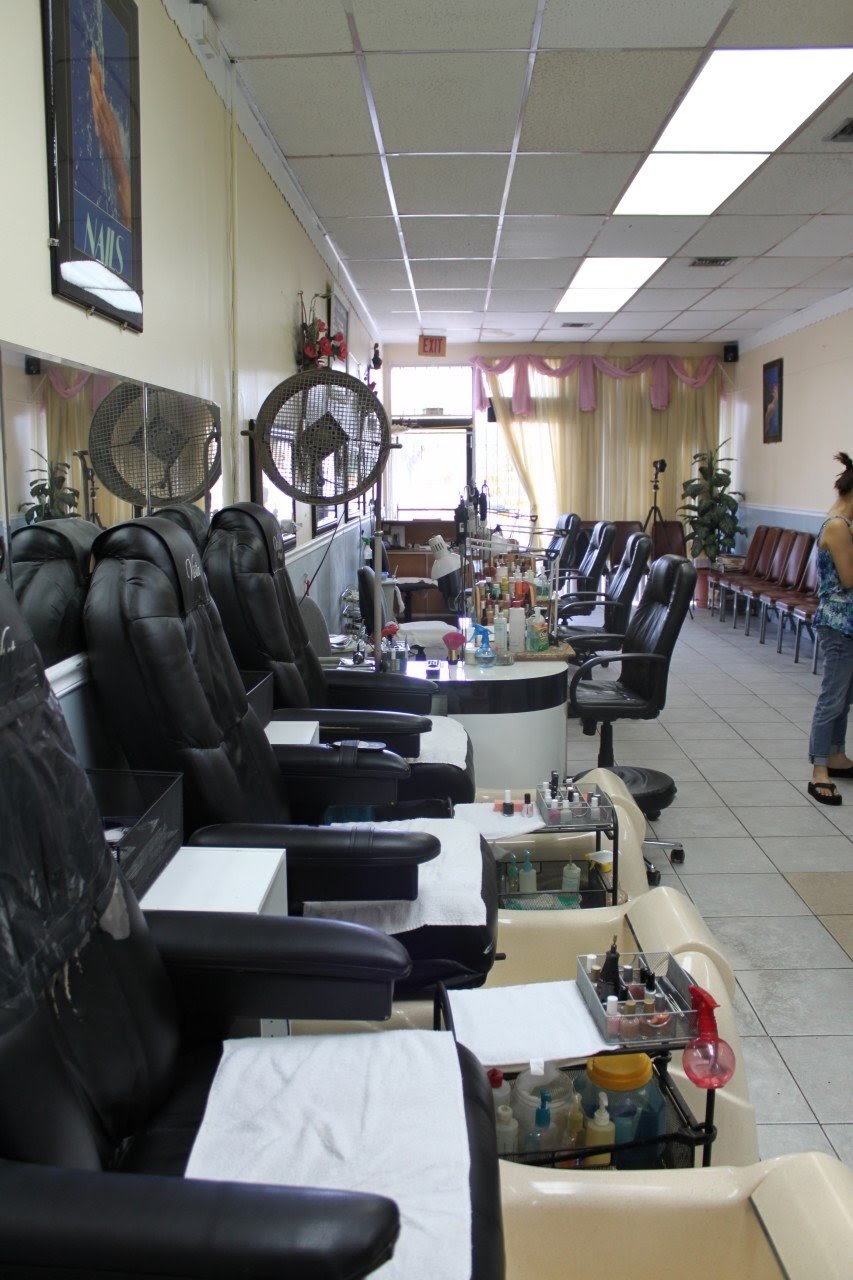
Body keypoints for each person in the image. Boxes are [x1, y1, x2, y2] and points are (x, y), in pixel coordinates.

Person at [808, 452, 853, 805]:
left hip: (846, 622)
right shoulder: (838, 526)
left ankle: (837, 755)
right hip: (838, 623)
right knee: (832, 697)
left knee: (844, 696)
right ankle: (819, 769)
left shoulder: (843, 523)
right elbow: (848, 579)